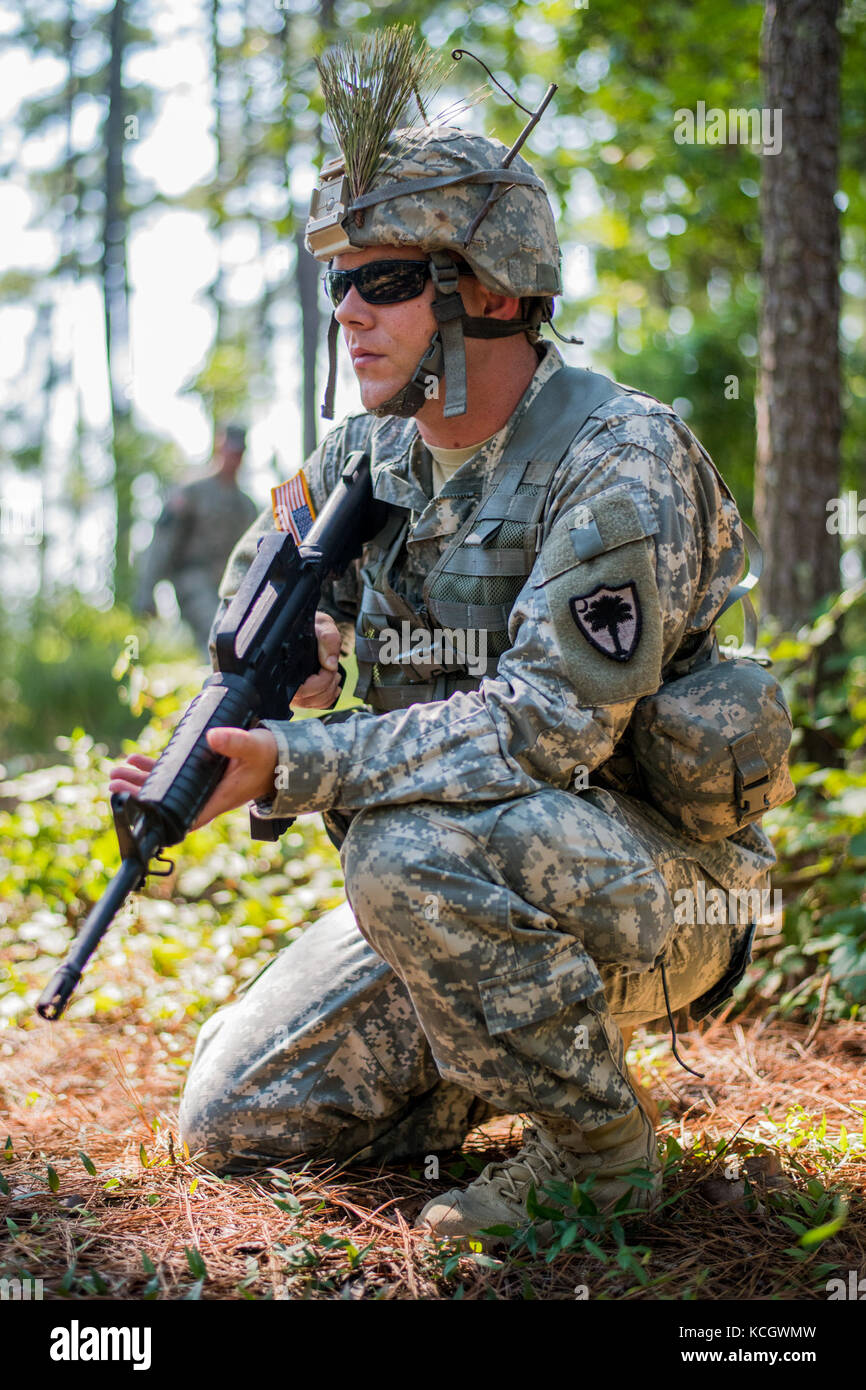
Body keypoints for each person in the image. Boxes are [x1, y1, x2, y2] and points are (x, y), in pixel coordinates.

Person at [110, 40, 787, 1247]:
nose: (345, 313)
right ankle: (511, 1042)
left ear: (483, 287)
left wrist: (300, 763)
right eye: (338, 285)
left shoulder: (616, 459)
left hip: (659, 884)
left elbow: (543, 726)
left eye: (382, 281)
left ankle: (598, 1158)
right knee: (233, 1115)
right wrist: (233, 731)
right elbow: (247, 651)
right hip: (472, 883)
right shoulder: (354, 464)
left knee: (401, 849)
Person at [134, 424, 258, 654]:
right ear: (219, 446)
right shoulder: (192, 493)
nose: (234, 458)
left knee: (247, 638)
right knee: (220, 636)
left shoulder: (246, 505)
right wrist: (146, 593)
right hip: (194, 580)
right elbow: (163, 542)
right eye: (230, 450)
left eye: (239, 452)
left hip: (232, 586)